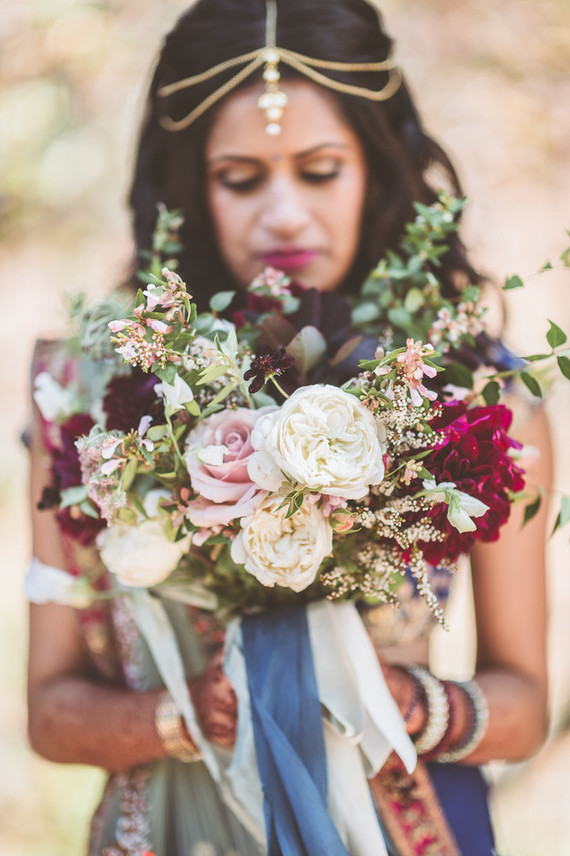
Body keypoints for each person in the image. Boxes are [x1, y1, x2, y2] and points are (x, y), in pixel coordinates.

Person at [27, 1, 552, 854]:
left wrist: (407, 704)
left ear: (375, 168)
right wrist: (183, 716)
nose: (283, 215)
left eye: (320, 170)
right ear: (189, 184)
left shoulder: (476, 398)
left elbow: (525, 705)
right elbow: (50, 714)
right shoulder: (84, 395)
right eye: (240, 178)